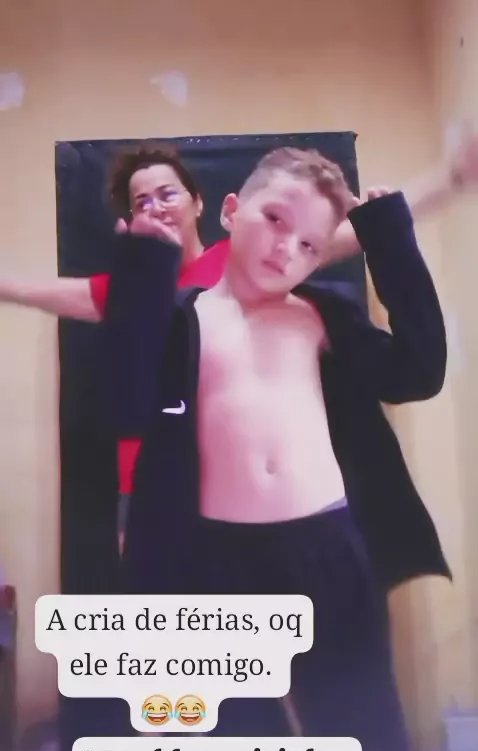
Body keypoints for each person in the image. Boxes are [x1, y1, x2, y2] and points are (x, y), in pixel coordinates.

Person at [101, 145, 449, 751]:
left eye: (310, 244)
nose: (288, 247)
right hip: (211, 569)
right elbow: (123, 401)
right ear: (231, 211)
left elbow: (419, 371)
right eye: (275, 219)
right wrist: (141, 269)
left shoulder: (322, 316)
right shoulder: (180, 320)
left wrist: (387, 236)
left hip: (325, 558)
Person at [2, 132, 478, 549]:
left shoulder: (250, 256)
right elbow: (38, 292)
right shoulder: (126, 292)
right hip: (155, 493)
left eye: (166, 194)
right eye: (141, 202)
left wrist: (449, 180)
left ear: (200, 204)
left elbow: (349, 231)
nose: (155, 207)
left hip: (264, 506)